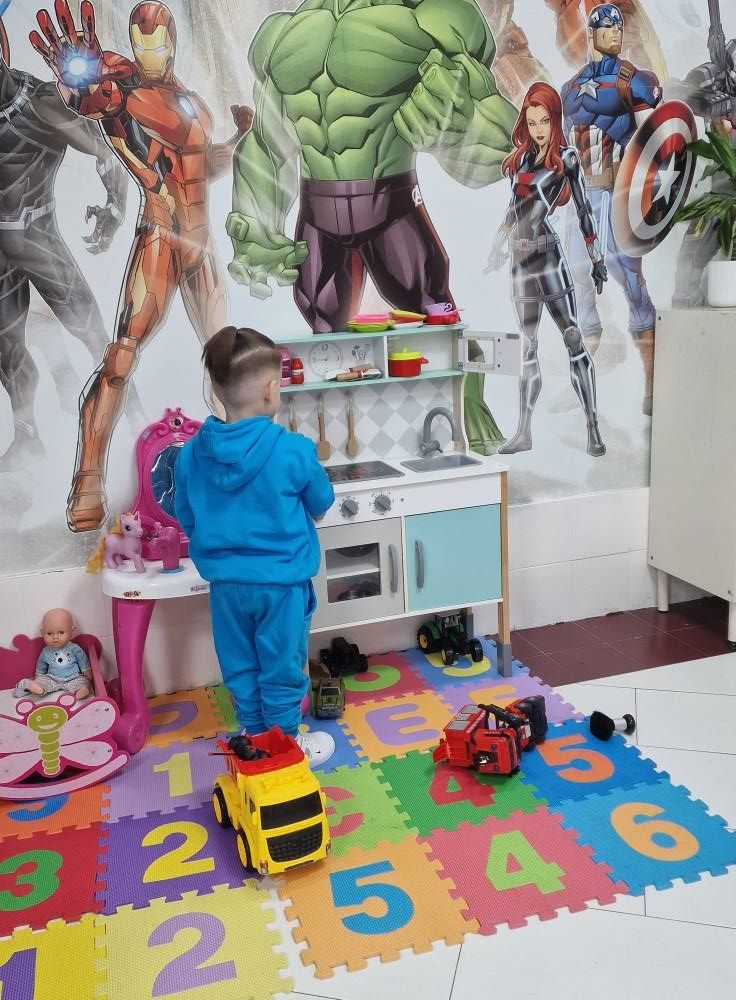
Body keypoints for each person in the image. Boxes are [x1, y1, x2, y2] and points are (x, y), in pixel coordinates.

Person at [30, 0, 253, 532]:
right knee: (121, 357)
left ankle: (241, 479)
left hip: (202, 246)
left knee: (232, 370)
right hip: (160, 237)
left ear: (172, 42)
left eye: (157, 41)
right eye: (140, 41)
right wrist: (86, 87)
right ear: (131, 43)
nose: (149, 50)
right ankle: (87, 482)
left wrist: (238, 140)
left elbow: (205, 165)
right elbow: (100, 102)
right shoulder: (125, 91)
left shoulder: (191, 101)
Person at [174, 326, 336, 767]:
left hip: (226, 585)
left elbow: (187, 517)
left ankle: (254, 732)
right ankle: (284, 744)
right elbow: (322, 503)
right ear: (271, 389)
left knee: (241, 661)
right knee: (282, 663)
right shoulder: (294, 450)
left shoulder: (189, 454)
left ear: (217, 389)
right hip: (280, 584)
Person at [487, 82, 607, 457]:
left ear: (555, 121)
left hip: (548, 259)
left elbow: (585, 210)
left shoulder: (567, 158)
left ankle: (593, 429)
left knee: (572, 337)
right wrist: (497, 243)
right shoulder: (522, 160)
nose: (538, 128)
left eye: (544, 121)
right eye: (532, 120)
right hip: (521, 262)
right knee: (527, 346)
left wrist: (597, 258)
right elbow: (513, 208)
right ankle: (523, 432)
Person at [560, 3, 661, 415]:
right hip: (584, 192)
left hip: (619, 190)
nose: (615, 31)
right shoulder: (571, 87)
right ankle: (585, 384)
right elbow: (568, 134)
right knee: (577, 279)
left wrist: (648, 196)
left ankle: (653, 377)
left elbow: (655, 133)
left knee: (626, 273)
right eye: (606, 26)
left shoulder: (636, 81)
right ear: (591, 32)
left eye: (618, 25)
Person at [14, 608, 92, 700]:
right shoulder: (46, 651)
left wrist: (86, 668)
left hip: (73, 677)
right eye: (50, 633)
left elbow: (82, 658)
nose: (55, 637)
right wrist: (39, 676)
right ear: (42, 633)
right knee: (42, 682)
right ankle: (38, 689)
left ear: (72, 632)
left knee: (84, 681)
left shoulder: (74, 648)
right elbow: (41, 664)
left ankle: (80, 691)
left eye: (61, 632)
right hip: (52, 678)